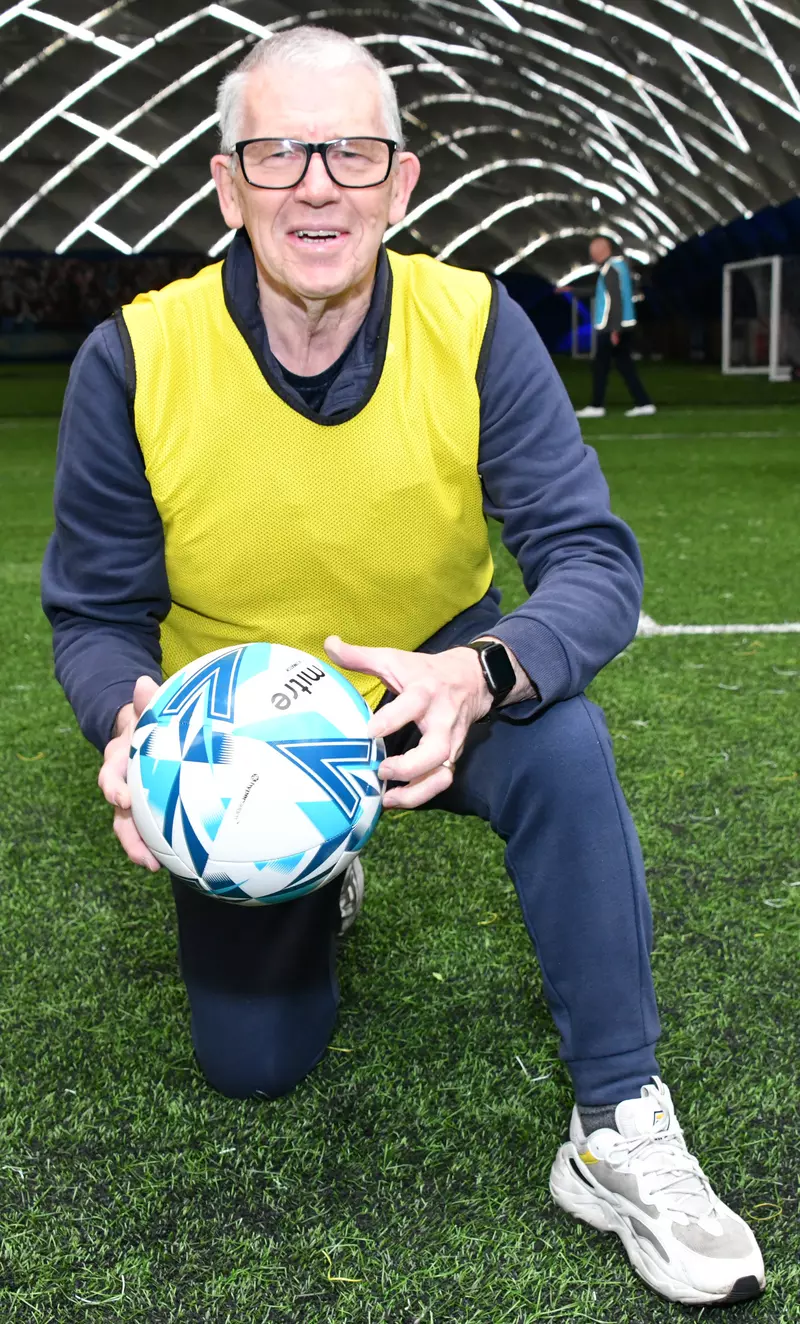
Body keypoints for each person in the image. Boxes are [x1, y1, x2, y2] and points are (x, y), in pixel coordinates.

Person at [41, 26, 763, 1308]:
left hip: (433, 682)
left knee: (564, 739)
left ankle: (616, 1119)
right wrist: (127, 718)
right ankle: (321, 862)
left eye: (350, 154)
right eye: (277, 153)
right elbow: (96, 610)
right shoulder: (135, 357)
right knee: (254, 1065)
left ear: (400, 183)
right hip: (240, 739)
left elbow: (590, 560)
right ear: (226, 185)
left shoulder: (476, 323)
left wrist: (486, 670)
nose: (315, 184)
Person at [575, 237, 656, 420]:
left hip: (612, 328)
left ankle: (597, 405)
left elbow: (616, 300)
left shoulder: (612, 269)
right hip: (618, 326)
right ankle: (644, 403)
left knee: (601, 366)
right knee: (623, 366)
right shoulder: (617, 268)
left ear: (603, 250)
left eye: (593, 250)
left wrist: (615, 330)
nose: (591, 255)